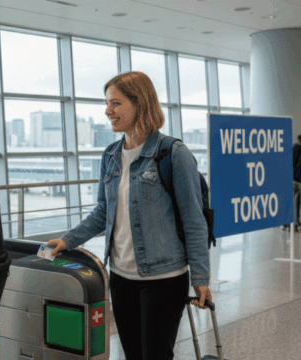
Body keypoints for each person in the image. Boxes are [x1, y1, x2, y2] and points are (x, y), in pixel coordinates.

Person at [46, 71, 212, 360]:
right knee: (133, 354)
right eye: (108, 103)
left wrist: (200, 278)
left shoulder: (173, 153)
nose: (108, 111)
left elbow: (193, 220)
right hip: (121, 276)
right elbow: (103, 211)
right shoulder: (110, 155)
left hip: (164, 277)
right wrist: (68, 240)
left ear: (140, 103)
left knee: (156, 355)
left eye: (115, 103)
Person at [293, 135, 301, 231]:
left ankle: (295, 223)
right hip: (297, 179)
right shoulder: (297, 149)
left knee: (295, 201)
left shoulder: (296, 148)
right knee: (296, 201)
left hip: (296, 179)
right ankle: (295, 223)